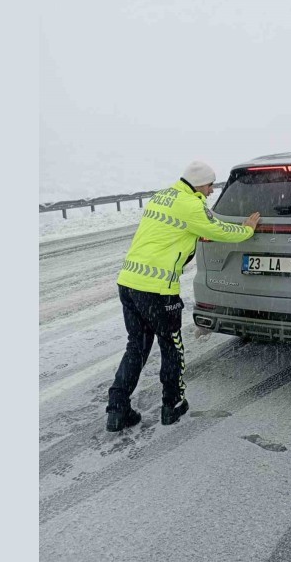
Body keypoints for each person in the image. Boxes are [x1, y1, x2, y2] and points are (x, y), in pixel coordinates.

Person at [106, 161, 260, 431]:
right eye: (210, 185)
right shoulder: (191, 205)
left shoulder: (163, 196)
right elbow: (218, 229)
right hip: (157, 290)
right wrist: (247, 229)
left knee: (136, 347)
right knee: (171, 346)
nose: (212, 190)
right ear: (199, 183)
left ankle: (117, 411)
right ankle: (172, 405)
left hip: (128, 282)